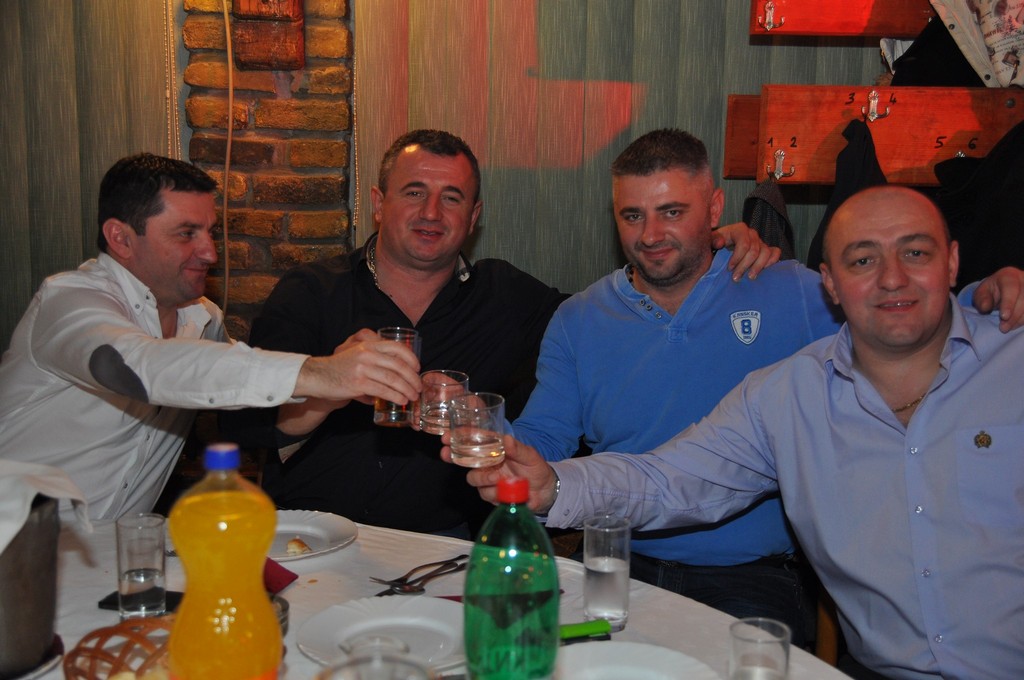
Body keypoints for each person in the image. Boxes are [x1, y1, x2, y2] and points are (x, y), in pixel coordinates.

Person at [456, 186, 1024, 679]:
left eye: (915, 252)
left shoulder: (1011, 359)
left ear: (952, 262)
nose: (892, 277)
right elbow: (668, 479)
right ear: (830, 282)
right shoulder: (784, 396)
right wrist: (553, 485)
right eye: (863, 260)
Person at [219, 129, 776, 538]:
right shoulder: (312, 291)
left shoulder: (509, 297)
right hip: (314, 535)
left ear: (474, 216)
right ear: (379, 203)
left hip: (447, 548)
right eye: (413, 192)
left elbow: (625, 304)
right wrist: (326, 384)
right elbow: (239, 423)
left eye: (452, 198)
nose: (432, 211)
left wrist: (711, 247)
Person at [510, 129, 842, 641]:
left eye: (671, 212)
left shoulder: (793, 291)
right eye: (632, 215)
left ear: (715, 209)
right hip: (620, 559)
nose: (650, 235)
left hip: (752, 574)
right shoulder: (578, 319)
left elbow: (896, 346)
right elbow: (545, 439)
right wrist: (479, 426)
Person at [0, 153, 422, 521]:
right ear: (121, 238)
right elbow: (138, 366)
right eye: (186, 234)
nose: (210, 253)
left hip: (117, 552)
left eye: (210, 232)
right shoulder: (67, 300)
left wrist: (339, 388)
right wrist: (323, 372)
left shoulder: (202, 319)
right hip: (17, 541)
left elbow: (223, 386)